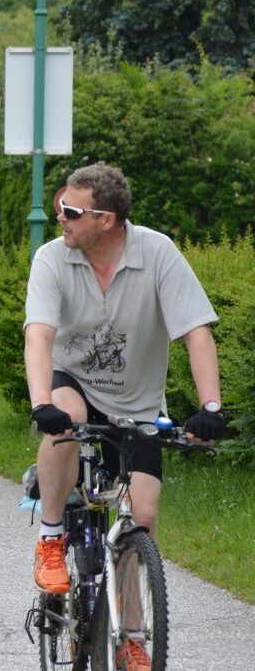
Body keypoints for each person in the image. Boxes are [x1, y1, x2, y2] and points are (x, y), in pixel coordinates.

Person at [24, 162, 224, 638]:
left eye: (71, 210)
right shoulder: (53, 258)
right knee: (66, 418)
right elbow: (39, 335)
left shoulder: (157, 252)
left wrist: (210, 406)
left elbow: (196, 332)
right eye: (59, 206)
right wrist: (40, 404)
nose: (60, 217)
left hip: (137, 405)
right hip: (71, 379)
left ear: (105, 218)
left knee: (144, 516)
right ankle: (52, 536)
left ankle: (132, 636)